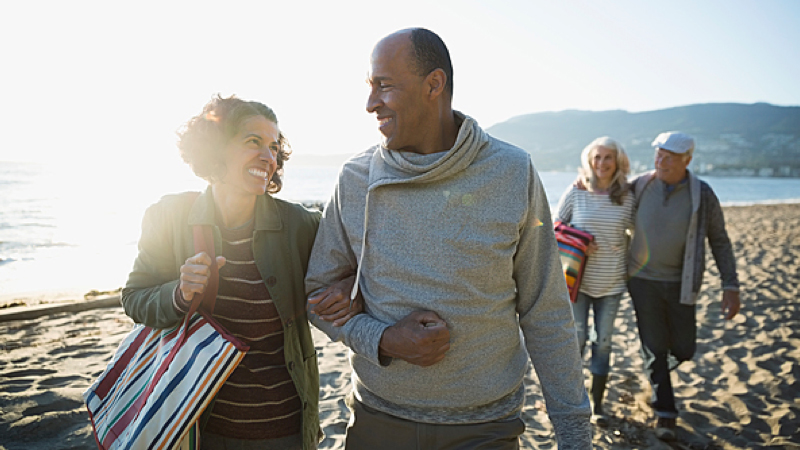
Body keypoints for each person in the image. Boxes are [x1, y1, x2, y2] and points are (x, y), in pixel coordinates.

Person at [305, 28, 592, 449]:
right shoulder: (355, 178)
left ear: (433, 85)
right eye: (370, 87)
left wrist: (573, 433)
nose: (370, 104)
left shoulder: (512, 172)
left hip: (487, 429)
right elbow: (317, 297)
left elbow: (544, 310)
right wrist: (385, 339)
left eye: (383, 86)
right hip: (378, 421)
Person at [121, 95, 359, 450]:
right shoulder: (168, 217)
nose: (268, 156)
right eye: (253, 142)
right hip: (201, 428)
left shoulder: (300, 225)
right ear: (216, 148)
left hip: (286, 430)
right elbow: (135, 298)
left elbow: (362, 262)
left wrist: (349, 284)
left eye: (274, 147)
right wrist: (178, 293)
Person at [628, 131, 740, 441]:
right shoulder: (639, 185)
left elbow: (719, 240)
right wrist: (581, 184)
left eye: (669, 156)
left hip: (682, 283)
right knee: (655, 344)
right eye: (658, 154)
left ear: (687, 160)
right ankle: (665, 412)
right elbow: (602, 197)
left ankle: (656, 370)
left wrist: (730, 285)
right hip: (642, 281)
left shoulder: (702, 194)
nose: (660, 160)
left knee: (684, 348)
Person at [554, 137, 635, 427]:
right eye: (596, 157)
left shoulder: (628, 196)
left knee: (603, 344)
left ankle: (597, 404)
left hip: (612, 285)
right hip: (576, 284)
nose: (601, 163)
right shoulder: (576, 191)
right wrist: (581, 241)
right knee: (577, 340)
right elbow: (552, 227)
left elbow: (638, 232)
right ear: (589, 161)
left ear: (618, 161)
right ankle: (574, 401)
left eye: (607, 158)